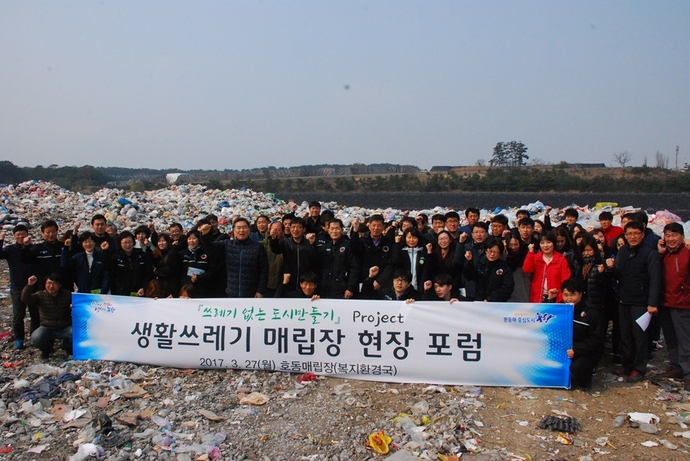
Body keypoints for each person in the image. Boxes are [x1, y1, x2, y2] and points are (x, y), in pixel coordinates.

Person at [605, 221, 661, 383]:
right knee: (625, 335)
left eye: (636, 233)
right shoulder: (623, 252)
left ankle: (639, 368)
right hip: (623, 300)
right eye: (629, 234)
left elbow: (655, 280)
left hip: (641, 302)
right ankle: (627, 365)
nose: (632, 237)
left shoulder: (650, 254)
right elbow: (617, 274)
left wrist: (652, 303)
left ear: (643, 234)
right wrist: (609, 268)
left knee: (639, 336)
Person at [656, 223, 690, 390]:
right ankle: (676, 367)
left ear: (682, 237)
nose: (671, 239)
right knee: (671, 339)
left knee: (685, 340)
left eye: (674, 235)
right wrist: (660, 253)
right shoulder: (664, 255)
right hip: (665, 302)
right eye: (668, 236)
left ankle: (688, 373)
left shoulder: (687, 254)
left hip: (683, 303)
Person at [199, 218, 269, 298]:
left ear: (249, 230)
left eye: (244, 227)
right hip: (231, 292)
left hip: (251, 293)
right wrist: (204, 236)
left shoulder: (258, 247)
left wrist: (260, 290)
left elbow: (264, 270)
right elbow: (210, 248)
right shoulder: (227, 244)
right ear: (234, 230)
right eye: (238, 228)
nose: (241, 230)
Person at [562, 279, 606, 391]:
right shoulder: (561, 308)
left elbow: (597, 339)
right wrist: (550, 300)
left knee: (577, 368)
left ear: (581, 294)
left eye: (573, 295)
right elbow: (546, 319)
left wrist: (577, 350)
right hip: (567, 348)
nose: (569, 299)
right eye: (566, 295)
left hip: (586, 350)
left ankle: (585, 380)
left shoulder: (591, 312)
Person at [0, 225, 38, 349]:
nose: (21, 237)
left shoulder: (33, 248)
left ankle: (34, 337)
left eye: (23, 234)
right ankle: (19, 339)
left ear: (28, 235)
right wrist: (1, 240)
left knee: (35, 314)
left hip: (33, 286)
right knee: (18, 316)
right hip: (17, 286)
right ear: (14, 236)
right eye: (18, 235)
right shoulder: (10, 249)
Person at [21, 273, 72, 359]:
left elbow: (79, 304)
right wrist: (29, 285)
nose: (51, 286)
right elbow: (25, 299)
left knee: (77, 333)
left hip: (64, 327)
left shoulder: (67, 295)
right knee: (36, 337)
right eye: (48, 283)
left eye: (54, 284)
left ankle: (67, 347)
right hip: (47, 327)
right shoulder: (40, 295)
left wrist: (73, 306)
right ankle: (46, 350)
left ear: (59, 285)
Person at [270, 217, 319, 292]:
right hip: (288, 279)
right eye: (293, 227)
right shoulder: (285, 242)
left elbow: (315, 259)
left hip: (305, 282)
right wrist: (273, 240)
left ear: (304, 229)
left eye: (299, 227)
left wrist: (312, 245)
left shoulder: (309, 242)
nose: (295, 230)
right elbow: (276, 250)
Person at [315, 219, 359, 299]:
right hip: (325, 288)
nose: (334, 231)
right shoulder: (325, 247)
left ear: (342, 230)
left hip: (342, 289)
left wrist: (350, 288)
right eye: (332, 228)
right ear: (328, 230)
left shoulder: (348, 246)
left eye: (337, 228)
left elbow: (354, 268)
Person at [351, 214, 396, 292]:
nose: (376, 228)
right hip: (364, 280)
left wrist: (380, 281)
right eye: (373, 225)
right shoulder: (363, 241)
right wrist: (355, 231)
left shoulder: (388, 243)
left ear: (383, 227)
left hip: (382, 284)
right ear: (369, 225)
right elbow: (354, 249)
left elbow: (390, 264)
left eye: (379, 226)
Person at [523, 232, 572, 303]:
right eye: (542, 243)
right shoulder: (536, 258)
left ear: (553, 243)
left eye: (548, 242)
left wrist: (561, 298)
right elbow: (526, 269)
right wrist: (530, 252)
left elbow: (565, 280)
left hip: (556, 298)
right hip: (537, 297)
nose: (545, 245)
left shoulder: (561, 259)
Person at [463, 237, 514, 302]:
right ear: (486, 251)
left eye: (495, 252)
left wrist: (491, 298)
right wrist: (469, 262)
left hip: (497, 303)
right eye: (490, 251)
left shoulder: (504, 267)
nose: (492, 254)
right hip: (479, 301)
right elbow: (469, 276)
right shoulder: (480, 263)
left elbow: (507, 288)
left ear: (500, 253)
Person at [107, 231, 153, 296]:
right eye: (125, 243)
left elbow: (148, 274)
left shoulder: (142, 255)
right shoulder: (115, 257)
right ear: (120, 244)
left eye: (130, 242)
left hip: (139, 292)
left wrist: (144, 287)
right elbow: (111, 274)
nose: (128, 245)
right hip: (120, 293)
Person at [392, 228, 428, 293]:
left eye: (414, 237)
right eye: (409, 237)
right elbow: (395, 261)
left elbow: (425, 271)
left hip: (419, 288)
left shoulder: (423, 253)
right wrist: (397, 244)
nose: (411, 240)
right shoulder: (402, 252)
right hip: (403, 289)